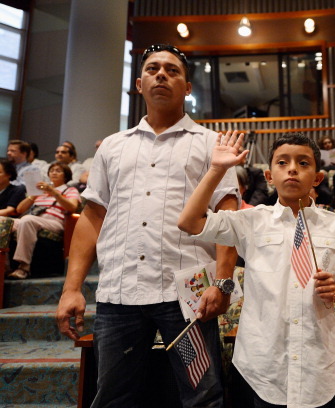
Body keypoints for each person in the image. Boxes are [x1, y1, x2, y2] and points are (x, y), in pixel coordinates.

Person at [56, 43, 239, 408]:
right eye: (153, 68)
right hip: (120, 292)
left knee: (202, 395)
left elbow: (227, 219)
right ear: (138, 83)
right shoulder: (112, 147)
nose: (161, 75)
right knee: (113, 397)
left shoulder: (211, 145)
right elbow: (92, 218)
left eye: (172, 71)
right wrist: (71, 288)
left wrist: (223, 282)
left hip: (187, 297)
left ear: (187, 88)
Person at [178, 132, 335, 408]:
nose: (293, 169)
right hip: (265, 363)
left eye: (303, 163)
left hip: (317, 361)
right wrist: (217, 170)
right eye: (283, 162)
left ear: (318, 178)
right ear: (269, 176)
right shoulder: (251, 221)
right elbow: (189, 222)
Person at [8, 162, 80, 279]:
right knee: (4, 222)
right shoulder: (41, 191)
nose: (54, 173)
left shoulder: (70, 190)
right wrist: (33, 195)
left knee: (27, 220)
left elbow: (72, 207)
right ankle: (5, 266)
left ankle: (24, 267)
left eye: (58, 171)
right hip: (33, 218)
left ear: (65, 175)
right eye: (52, 171)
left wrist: (54, 192)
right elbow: (20, 209)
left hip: (54, 221)